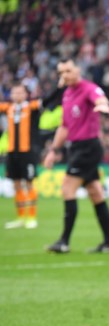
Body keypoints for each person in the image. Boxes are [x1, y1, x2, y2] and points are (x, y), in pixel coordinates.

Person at [44, 58, 109, 254]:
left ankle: (64, 242)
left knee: (68, 188)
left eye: (68, 71)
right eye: (61, 72)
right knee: (95, 192)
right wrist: (53, 151)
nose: (64, 75)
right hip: (76, 147)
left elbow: (99, 98)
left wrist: (103, 105)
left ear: (78, 71)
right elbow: (64, 127)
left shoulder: (88, 88)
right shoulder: (67, 94)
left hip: (88, 147)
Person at [1, 84, 42, 229]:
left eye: (20, 92)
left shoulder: (31, 107)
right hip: (12, 152)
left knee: (29, 183)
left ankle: (31, 217)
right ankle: (20, 217)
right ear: (10, 95)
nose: (17, 95)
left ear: (25, 94)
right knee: (16, 185)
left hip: (28, 152)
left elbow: (48, 101)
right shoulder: (8, 108)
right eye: (14, 92)